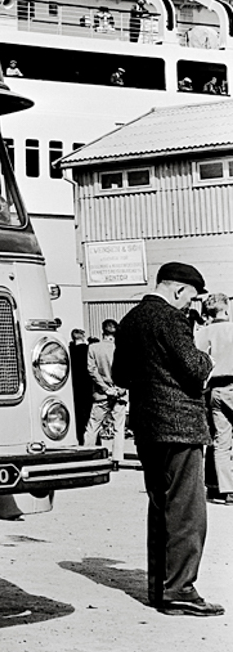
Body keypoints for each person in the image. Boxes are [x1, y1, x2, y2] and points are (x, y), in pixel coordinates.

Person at [113, 261, 223, 616]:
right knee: (187, 512)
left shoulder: (131, 319)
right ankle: (180, 589)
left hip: (148, 427)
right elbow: (195, 370)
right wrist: (206, 353)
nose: (192, 306)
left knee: (160, 507)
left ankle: (160, 589)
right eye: (191, 299)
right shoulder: (172, 320)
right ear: (178, 291)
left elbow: (120, 375)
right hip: (181, 427)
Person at [195, 291, 233, 505]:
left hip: (215, 389)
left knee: (221, 440)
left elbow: (198, 360)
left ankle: (227, 489)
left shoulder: (205, 332)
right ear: (226, 308)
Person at [86, 319, 127, 467]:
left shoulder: (93, 348)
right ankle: (116, 459)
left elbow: (91, 370)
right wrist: (120, 389)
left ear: (103, 331)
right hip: (120, 393)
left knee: (93, 426)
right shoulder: (122, 348)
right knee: (118, 427)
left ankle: (88, 456)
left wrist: (104, 387)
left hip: (101, 393)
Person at [69, 329, 92, 444]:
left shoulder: (70, 351)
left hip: (75, 386)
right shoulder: (89, 350)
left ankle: (80, 438)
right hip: (88, 385)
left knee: (78, 414)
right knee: (90, 414)